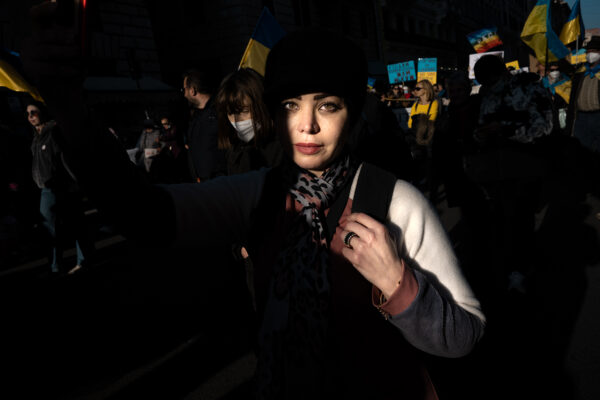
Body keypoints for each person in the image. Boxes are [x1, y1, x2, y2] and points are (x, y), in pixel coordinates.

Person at [23, 18, 485, 399]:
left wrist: (398, 285)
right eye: (290, 105)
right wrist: (69, 110)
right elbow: (144, 215)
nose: (306, 125)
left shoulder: (397, 200)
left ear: (353, 113)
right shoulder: (259, 192)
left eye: (327, 105)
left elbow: (463, 335)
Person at [27, 101, 93, 275]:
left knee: (77, 225)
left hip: (64, 187)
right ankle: (55, 266)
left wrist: (75, 184)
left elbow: (67, 159)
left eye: (34, 112)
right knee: (50, 231)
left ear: (42, 112)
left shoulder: (54, 131)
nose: (30, 116)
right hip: (46, 189)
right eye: (28, 113)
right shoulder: (36, 137)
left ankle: (84, 261)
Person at [215, 67, 283, 175]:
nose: (237, 121)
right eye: (230, 113)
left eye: (244, 111)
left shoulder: (284, 148)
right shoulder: (234, 149)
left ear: (262, 105)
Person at [181, 68, 226, 181]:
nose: (184, 94)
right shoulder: (195, 116)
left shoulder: (220, 110)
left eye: (184, 89)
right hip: (202, 182)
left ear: (193, 90)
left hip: (222, 182)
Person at [566, 36, 600, 153]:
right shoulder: (580, 73)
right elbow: (572, 98)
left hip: (598, 116)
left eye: (594, 51)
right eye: (588, 52)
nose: (590, 54)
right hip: (581, 117)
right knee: (582, 151)